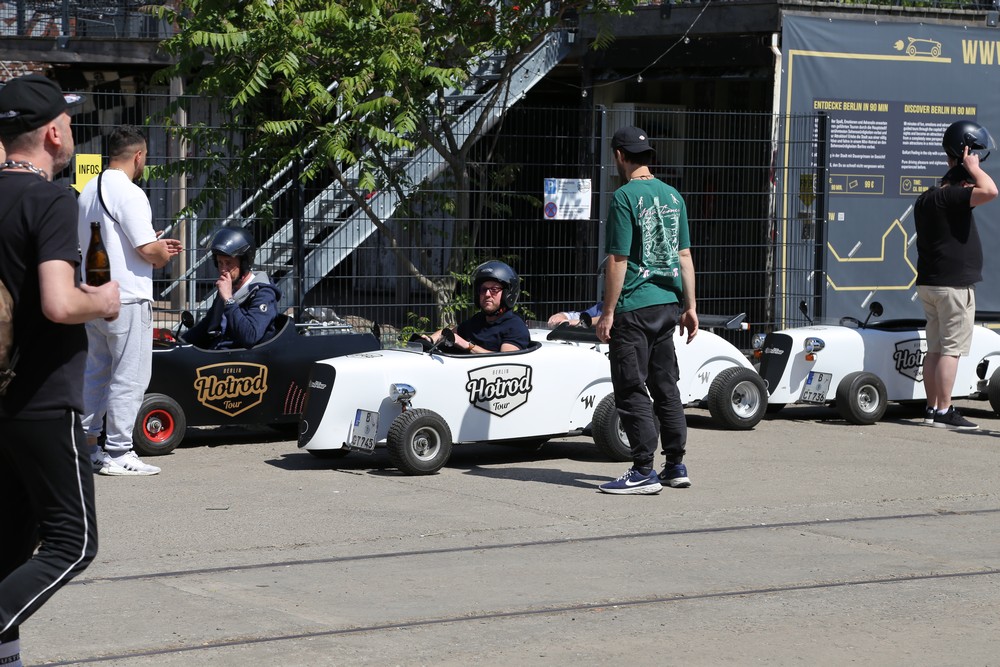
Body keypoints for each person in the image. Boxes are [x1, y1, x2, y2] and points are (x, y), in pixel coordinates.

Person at [0, 73, 121, 667]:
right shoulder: (49, 200)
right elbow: (59, 303)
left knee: (10, 545)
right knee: (72, 543)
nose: (72, 129)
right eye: (68, 121)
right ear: (52, 133)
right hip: (43, 399)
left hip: (2, 401)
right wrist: (105, 300)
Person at [595, 126, 698, 495]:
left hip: (634, 307)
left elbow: (618, 259)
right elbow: (684, 255)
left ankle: (642, 470)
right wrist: (690, 306)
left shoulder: (624, 197)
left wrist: (608, 311)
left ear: (619, 156)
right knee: (665, 386)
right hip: (667, 306)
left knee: (630, 387)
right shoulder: (673, 196)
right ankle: (675, 465)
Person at [77, 125, 183, 476]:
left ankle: (88, 447)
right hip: (128, 296)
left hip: (95, 295)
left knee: (96, 372)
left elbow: (112, 240)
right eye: (145, 158)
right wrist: (161, 251)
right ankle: (119, 451)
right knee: (130, 376)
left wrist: (150, 243)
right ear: (138, 156)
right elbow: (148, 251)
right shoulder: (131, 193)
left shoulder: (88, 189)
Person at [915, 120, 998, 430]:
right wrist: (974, 168)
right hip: (953, 287)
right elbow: (990, 190)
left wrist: (965, 168)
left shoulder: (927, 198)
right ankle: (945, 410)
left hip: (930, 284)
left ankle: (931, 408)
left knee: (935, 349)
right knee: (951, 350)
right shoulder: (952, 197)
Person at [182, 226, 282, 349]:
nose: (223, 269)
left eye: (228, 263)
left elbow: (250, 336)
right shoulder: (229, 288)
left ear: (244, 263)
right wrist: (179, 342)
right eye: (220, 263)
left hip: (241, 358)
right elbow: (206, 326)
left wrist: (229, 300)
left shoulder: (263, 294)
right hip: (218, 353)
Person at [424, 260, 530, 353]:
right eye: (483, 290)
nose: (487, 294)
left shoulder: (515, 327)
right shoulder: (477, 320)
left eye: (494, 290)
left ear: (507, 294)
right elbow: (449, 332)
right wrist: (429, 340)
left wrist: (467, 345)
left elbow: (505, 361)